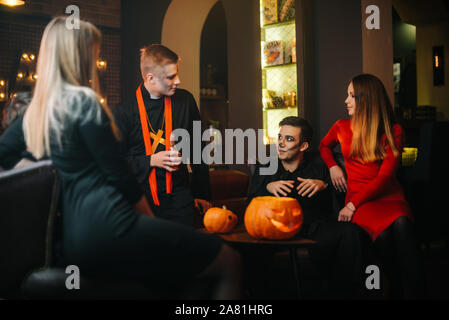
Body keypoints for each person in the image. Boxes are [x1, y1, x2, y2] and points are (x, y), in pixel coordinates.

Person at [13, 16, 241, 299]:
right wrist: (146, 215)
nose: (97, 63)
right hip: (118, 217)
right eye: (95, 55)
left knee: (169, 279)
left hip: (80, 229)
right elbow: (119, 174)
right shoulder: (94, 106)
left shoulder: (34, 113)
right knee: (227, 260)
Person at [319, 73, 424, 299]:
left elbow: (385, 178)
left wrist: (351, 206)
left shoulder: (392, 131)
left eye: (352, 96)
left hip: (388, 195)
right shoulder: (341, 126)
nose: (346, 101)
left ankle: (416, 291)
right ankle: (394, 286)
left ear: (367, 99)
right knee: (384, 237)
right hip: (360, 199)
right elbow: (323, 146)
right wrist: (332, 167)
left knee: (403, 225)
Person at [247, 116, 370, 299]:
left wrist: (324, 185)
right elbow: (251, 202)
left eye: (289, 139)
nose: (281, 143)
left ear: (303, 146)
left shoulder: (320, 165)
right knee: (251, 251)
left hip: (314, 226)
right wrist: (267, 187)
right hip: (275, 230)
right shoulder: (265, 166)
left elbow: (342, 197)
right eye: (279, 137)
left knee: (352, 232)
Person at [112, 44, 211, 228]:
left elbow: (199, 150)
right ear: (150, 78)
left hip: (180, 199)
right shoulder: (124, 112)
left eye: (177, 74)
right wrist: (151, 160)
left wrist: (202, 194)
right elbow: (114, 162)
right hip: (141, 202)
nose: (178, 80)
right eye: (171, 77)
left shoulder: (185, 101)